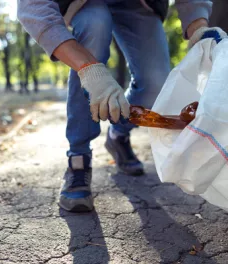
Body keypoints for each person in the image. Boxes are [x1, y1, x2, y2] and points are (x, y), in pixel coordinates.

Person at [17, 0, 227, 212]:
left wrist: (197, 26)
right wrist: (88, 68)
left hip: (138, 4)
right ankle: (78, 158)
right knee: (94, 25)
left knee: (156, 83)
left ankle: (117, 136)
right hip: (86, 3)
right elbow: (32, 8)